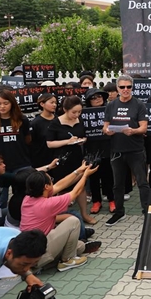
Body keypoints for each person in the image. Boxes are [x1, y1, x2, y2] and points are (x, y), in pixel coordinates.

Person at [20, 164, 101, 272]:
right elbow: (75, 192)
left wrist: (78, 170)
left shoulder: (28, 199)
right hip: (39, 252)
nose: (53, 183)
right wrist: (85, 176)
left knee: (80, 246)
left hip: (31, 250)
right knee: (73, 221)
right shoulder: (47, 204)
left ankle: (50, 262)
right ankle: (67, 260)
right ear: (46, 187)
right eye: (51, 180)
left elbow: (59, 185)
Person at [102, 74, 149, 226]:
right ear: (117, 88)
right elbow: (105, 125)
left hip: (135, 149)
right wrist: (107, 131)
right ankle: (119, 212)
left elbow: (143, 127)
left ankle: (146, 212)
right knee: (117, 184)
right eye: (122, 87)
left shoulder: (139, 104)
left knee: (142, 182)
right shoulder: (111, 105)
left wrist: (133, 131)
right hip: (116, 149)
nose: (125, 89)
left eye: (128, 87)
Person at [45, 95, 95, 225]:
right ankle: (58, 215)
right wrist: (68, 141)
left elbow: (85, 136)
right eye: (74, 112)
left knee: (81, 186)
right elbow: (49, 144)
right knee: (60, 188)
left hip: (77, 157)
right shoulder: (55, 123)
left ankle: (84, 214)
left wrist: (82, 140)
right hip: (61, 159)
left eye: (79, 112)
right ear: (65, 109)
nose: (76, 115)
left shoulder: (80, 120)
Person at [84, 88, 115, 214]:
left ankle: (112, 199)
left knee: (109, 175)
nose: (97, 99)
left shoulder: (111, 110)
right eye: (93, 97)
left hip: (108, 147)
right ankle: (96, 201)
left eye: (99, 97)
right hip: (91, 149)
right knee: (94, 177)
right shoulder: (83, 113)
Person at [29, 93, 57, 168]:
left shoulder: (58, 120)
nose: (54, 105)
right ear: (42, 104)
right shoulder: (35, 123)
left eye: (55, 103)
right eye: (52, 102)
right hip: (41, 160)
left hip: (57, 158)